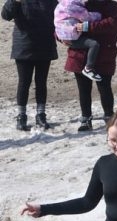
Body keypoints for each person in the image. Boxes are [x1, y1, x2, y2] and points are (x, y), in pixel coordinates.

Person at [63, 0, 117, 132]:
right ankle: (86, 118)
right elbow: (62, 22)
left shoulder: (113, 6)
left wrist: (86, 27)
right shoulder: (76, 5)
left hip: (104, 53)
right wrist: (61, 36)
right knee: (83, 89)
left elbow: (112, 24)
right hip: (80, 54)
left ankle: (108, 116)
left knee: (104, 86)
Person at [1, 0, 58, 131]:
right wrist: (14, 2)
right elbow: (5, 15)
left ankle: (41, 114)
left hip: (45, 44)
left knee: (41, 81)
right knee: (24, 82)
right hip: (24, 45)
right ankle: (21, 116)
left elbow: (58, 16)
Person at [54, 0, 103, 82]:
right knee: (94, 44)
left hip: (62, 34)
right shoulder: (73, 6)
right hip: (71, 36)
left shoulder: (62, 4)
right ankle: (88, 68)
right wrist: (99, 15)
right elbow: (86, 17)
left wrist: (59, 36)